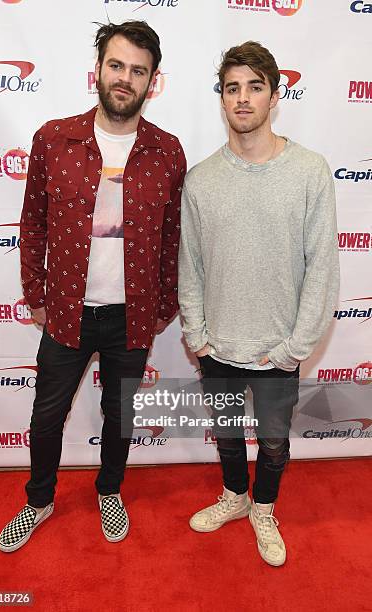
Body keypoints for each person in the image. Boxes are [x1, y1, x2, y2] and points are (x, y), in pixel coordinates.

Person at [0, 20, 186, 552]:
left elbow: (172, 239)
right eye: (117, 65)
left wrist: (162, 307)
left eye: (138, 70)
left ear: (152, 81)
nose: (125, 78)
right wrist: (35, 296)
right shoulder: (54, 139)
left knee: (120, 415)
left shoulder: (168, 153)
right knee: (46, 414)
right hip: (64, 311)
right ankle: (38, 499)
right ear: (98, 70)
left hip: (132, 315)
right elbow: (32, 222)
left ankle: (109, 489)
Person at [178, 41, 339, 566]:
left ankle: (263, 507)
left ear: (275, 96)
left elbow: (322, 267)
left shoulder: (311, 170)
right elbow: (191, 264)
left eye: (254, 87)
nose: (242, 99)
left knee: (272, 445)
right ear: (221, 100)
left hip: (279, 349)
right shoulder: (200, 180)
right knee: (227, 437)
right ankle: (234, 496)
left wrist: (296, 347)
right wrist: (197, 336)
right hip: (217, 345)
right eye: (232, 88)